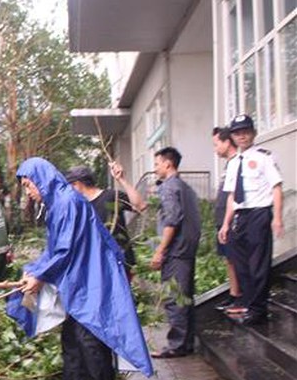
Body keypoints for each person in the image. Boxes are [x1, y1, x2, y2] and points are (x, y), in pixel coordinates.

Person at [5, 158, 153, 380]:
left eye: (28, 185)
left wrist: (41, 276)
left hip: (92, 278)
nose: (28, 192)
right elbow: (54, 250)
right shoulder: (56, 204)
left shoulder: (67, 203)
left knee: (91, 337)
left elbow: (65, 249)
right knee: (71, 337)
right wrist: (33, 269)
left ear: (41, 179)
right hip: (79, 278)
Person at [217, 114, 284, 325]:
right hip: (240, 216)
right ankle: (248, 302)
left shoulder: (263, 157)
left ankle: (258, 309)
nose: (242, 136)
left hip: (259, 214)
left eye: (246, 131)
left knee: (258, 263)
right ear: (232, 137)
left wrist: (278, 218)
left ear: (253, 133)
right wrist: (226, 223)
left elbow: (276, 187)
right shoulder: (234, 163)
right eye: (237, 133)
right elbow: (231, 196)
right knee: (241, 263)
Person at [150, 147, 201, 358]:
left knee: (175, 298)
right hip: (187, 250)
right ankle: (185, 342)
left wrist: (160, 251)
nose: (155, 169)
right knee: (185, 297)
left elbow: (172, 221)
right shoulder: (185, 187)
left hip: (176, 251)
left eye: (156, 164)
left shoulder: (169, 188)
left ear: (168, 164)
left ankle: (176, 345)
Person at [64, 162, 147, 276]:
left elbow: (140, 206)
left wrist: (121, 180)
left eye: (70, 186)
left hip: (119, 261)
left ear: (77, 184)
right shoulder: (80, 207)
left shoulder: (111, 196)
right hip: (96, 263)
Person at [211, 126, 241, 310]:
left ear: (227, 142)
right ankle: (234, 293)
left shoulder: (238, 162)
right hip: (223, 222)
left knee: (236, 258)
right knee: (229, 259)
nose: (215, 149)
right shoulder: (229, 164)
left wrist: (228, 222)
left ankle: (242, 297)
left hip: (231, 222)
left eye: (216, 144)